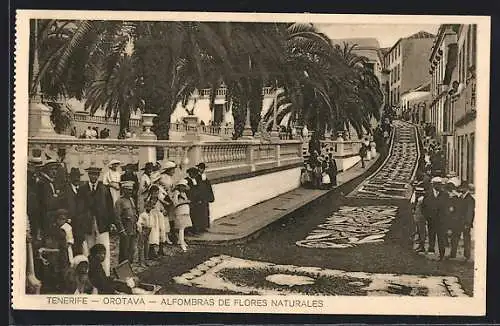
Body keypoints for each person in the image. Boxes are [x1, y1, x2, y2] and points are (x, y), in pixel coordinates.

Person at [78, 166, 116, 276]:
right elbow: (80, 208)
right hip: (88, 224)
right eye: (91, 174)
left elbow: (110, 207)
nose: (93, 176)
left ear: (98, 176)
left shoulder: (104, 189)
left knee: (103, 248)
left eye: (95, 174)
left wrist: (111, 222)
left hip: (102, 223)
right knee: (88, 248)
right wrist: (82, 221)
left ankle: (105, 274)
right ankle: (89, 274)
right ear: (88, 175)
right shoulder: (83, 189)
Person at [422, 177, 449, 260]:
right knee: (431, 236)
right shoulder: (427, 194)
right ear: (433, 184)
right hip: (431, 220)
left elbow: (447, 208)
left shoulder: (445, 194)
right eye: (437, 184)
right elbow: (424, 207)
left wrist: (445, 218)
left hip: (441, 221)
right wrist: (427, 217)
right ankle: (431, 252)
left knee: (441, 237)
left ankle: (442, 254)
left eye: (440, 184)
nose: (439, 186)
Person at [38, 160, 65, 238]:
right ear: (46, 170)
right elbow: (47, 202)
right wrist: (57, 198)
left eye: (55, 169)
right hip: (45, 218)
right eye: (52, 169)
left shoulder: (52, 183)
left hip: (51, 218)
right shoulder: (42, 183)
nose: (54, 171)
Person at [114, 181, 138, 264]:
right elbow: (117, 217)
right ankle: (122, 270)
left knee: (132, 250)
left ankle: (129, 268)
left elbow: (134, 213)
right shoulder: (119, 202)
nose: (130, 192)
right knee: (124, 251)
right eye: (128, 190)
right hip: (125, 230)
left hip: (132, 228)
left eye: (131, 190)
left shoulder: (131, 200)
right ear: (123, 190)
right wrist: (121, 230)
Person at [63, 167, 84, 254]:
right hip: (70, 221)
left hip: (80, 222)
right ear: (70, 178)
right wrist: (67, 217)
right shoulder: (66, 189)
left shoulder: (82, 189)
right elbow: (64, 204)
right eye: (74, 177)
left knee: (80, 243)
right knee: (71, 243)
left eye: (78, 177)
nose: (76, 179)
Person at [172, 179, 192, 251]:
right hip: (180, 211)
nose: (183, 188)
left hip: (185, 210)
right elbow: (175, 203)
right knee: (181, 228)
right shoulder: (176, 193)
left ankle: (181, 240)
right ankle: (182, 244)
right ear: (179, 186)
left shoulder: (184, 193)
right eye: (182, 186)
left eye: (184, 186)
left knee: (184, 227)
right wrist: (185, 202)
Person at [195, 163, 215, 232]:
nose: (200, 169)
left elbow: (208, 187)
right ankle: (198, 227)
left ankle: (204, 226)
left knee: (205, 212)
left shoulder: (204, 177)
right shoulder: (196, 177)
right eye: (200, 168)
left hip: (205, 197)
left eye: (202, 168)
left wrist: (210, 196)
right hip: (199, 197)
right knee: (199, 212)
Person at [186, 167, 205, 235]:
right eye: (193, 173)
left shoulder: (196, 180)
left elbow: (199, 190)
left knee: (196, 215)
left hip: (196, 200)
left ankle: (196, 229)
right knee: (190, 215)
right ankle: (190, 230)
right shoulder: (186, 180)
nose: (194, 175)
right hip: (190, 200)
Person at [460, 184, 475, 261]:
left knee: (466, 238)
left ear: (466, 188)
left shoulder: (470, 199)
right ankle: (464, 254)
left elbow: (470, 213)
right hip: (460, 221)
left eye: (462, 188)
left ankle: (467, 255)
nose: (461, 189)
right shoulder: (462, 197)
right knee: (460, 237)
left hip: (465, 222)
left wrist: (468, 223)